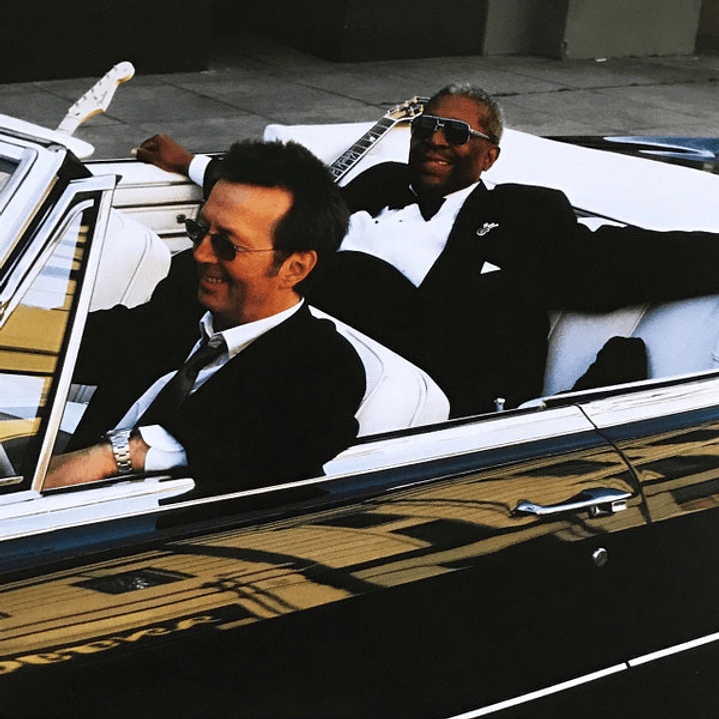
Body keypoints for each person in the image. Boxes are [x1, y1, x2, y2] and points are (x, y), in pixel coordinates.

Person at [134, 83, 719, 417]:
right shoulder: (378, 184)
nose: (436, 139)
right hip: (271, 337)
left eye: (457, 133)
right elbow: (287, 206)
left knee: (349, 279)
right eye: (426, 127)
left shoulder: (523, 212)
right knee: (201, 268)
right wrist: (192, 165)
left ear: (489, 156)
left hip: (406, 382)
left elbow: (620, 260)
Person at [45, 140, 366, 497]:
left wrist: (115, 456)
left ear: (295, 267)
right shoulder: (188, 297)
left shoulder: (324, 367)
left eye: (227, 245)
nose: (200, 254)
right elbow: (98, 339)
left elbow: (260, 443)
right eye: (199, 231)